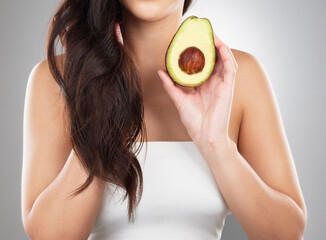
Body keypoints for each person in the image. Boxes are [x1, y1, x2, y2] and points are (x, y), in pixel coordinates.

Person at [21, 0, 307, 239]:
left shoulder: (236, 76)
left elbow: (287, 232)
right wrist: (100, 122)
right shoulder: (55, 80)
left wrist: (216, 144)